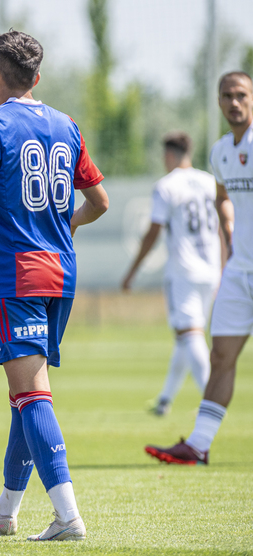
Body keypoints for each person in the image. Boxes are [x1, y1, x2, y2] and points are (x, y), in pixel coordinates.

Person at [0, 30, 107, 541]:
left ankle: (68, 517)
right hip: (62, 272)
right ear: (37, 77)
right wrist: (64, 225)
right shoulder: (66, 124)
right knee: (27, 392)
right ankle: (7, 508)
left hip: (18, 273)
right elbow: (99, 202)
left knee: (31, 392)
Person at [146, 71, 253, 465]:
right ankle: (199, 445)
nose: (234, 102)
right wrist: (229, 225)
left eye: (241, 94)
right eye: (227, 95)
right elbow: (222, 196)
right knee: (221, 355)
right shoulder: (221, 152)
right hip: (238, 271)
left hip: (217, 271)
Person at [122, 132, 221, 416]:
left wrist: (132, 270)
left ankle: (212, 403)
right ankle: (165, 400)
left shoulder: (167, 186)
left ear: (169, 155)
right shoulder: (210, 181)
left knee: (190, 333)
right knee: (185, 336)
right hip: (211, 268)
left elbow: (153, 231)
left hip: (184, 271)